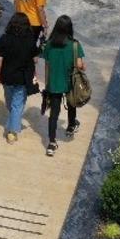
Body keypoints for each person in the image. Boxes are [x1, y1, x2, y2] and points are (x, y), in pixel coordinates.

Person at [40, 15, 86, 157]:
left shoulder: (49, 44)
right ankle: (71, 126)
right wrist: (83, 66)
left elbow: (47, 63)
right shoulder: (74, 45)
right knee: (71, 104)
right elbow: (79, 65)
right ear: (70, 28)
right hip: (70, 82)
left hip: (54, 83)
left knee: (54, 114)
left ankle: (52, 143)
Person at [0, 13, 41, 144]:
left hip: (7, 76)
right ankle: (12, 132)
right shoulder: (31, 40)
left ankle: (12, 129)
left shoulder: (4, 38)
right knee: (17, 105)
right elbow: (35, 59)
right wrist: (35, 74)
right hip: (23, 77)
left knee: (10, 103)